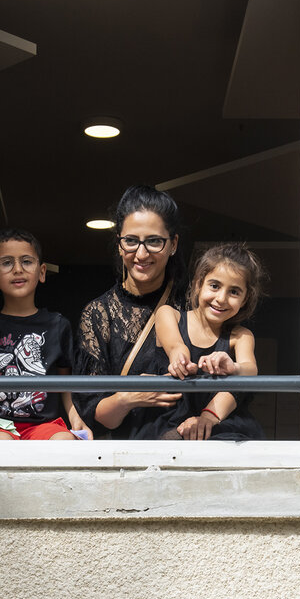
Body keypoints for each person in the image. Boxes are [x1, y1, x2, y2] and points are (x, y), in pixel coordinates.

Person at [0, 228, 90, 440]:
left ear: (42, 272)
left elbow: (66, 383)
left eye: (26, 261)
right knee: (2, 443)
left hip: (41, 425)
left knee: (64, 443)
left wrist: (75, 417)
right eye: (7, 262)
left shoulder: (57, 324)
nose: (18, 269)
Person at [74, 184, 189, 439]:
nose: (141, 253)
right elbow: (95, 414)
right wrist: (130, 397)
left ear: (173, 244)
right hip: (123, 458)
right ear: (119, 244)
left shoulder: (192, 306)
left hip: (185, 452)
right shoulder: (98, 314)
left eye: (154, 241)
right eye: (131, 241)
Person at [145, 242, 267, 440]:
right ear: (198, 284)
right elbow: (176, 346)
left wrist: (233, 368)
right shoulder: (169, 315)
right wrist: (181, 361)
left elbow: (250, 370)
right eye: (214, 286)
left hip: (221, 421)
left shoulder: (241, 335)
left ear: (245, 299)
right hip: (170, 420)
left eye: (234, 292)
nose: (221, 298)